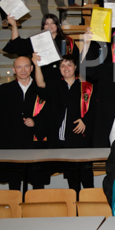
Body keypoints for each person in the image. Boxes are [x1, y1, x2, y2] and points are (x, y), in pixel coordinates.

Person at [0, 58, 47, 190]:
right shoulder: (4, 90)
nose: (23, 70)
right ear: (14, 70)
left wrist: (36, 121)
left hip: (35, 143)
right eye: (19, 67)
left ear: (32, 68)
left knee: (38, 182)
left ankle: (37, 203)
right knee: (14, 183)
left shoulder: (41, 90)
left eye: (26, 66)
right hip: (12, 144)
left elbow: (51, 114)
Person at [32, 53, 94, 192]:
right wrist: (36, 65)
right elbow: (41, 84)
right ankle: (75, 205)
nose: (66, 68)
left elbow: (96, 109)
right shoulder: (55, 85)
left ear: (75, 67)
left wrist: (85, 121)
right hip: (62, 141)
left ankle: (90, 204)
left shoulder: (86, 87)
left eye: (69, 65)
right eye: (62, 65)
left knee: (86, 178)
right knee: (72, 180)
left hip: (81, 139)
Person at [4, 13, 79, 83]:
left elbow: (76, 61)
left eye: (52, 23)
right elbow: (17, 46)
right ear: (43, 27)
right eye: (46, 24)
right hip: (41, 79)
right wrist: (14, 26)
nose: (50, 25)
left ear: (57, 25)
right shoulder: (36, 40)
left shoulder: (68, 41)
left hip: (62, 80)